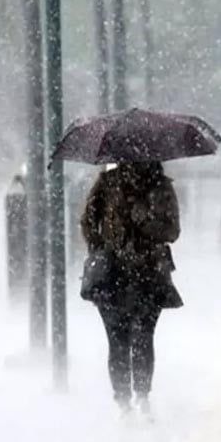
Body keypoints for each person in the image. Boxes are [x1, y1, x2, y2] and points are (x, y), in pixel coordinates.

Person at [81, 161, 182, 414]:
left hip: (148, 274)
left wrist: (145, 220)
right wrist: (101, 249)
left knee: (143, 337)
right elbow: (88, 222)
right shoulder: (108, 184)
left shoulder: (161, 187)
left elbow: (172, 231)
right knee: (118, 339)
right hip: (112, 274)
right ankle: (124, 399)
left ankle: (141, 395)